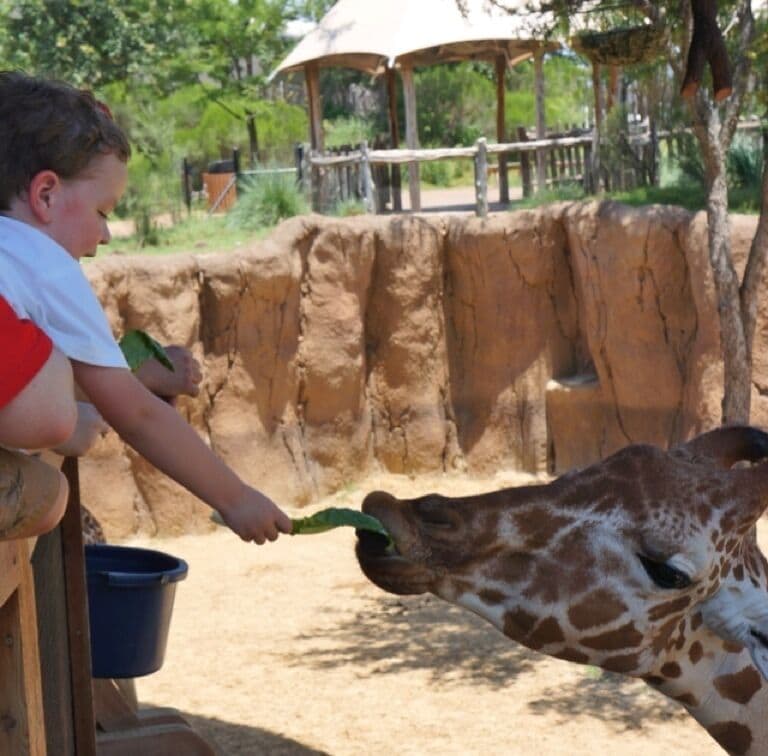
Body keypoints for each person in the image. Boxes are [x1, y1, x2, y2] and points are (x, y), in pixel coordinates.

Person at [0, 71, 291, 544]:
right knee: (51, 492)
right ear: (46, 195)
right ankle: (112, 384)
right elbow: (138, 417)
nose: (106, 235)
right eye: (103, 213)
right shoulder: (42, 260)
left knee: (73, 420)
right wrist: (236, 498)